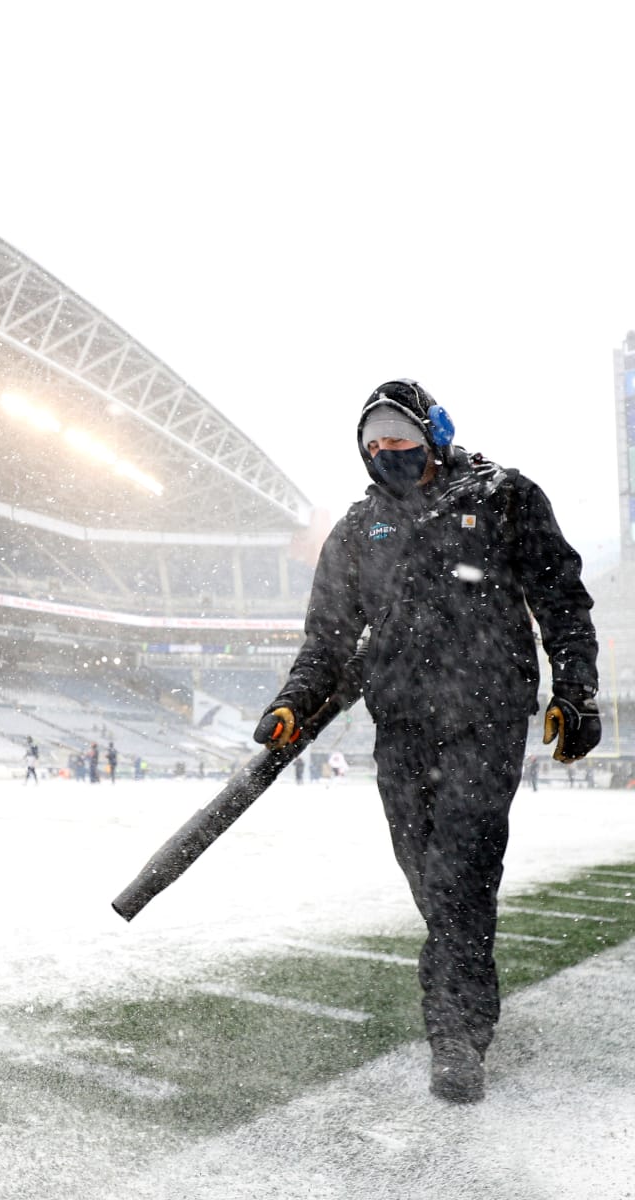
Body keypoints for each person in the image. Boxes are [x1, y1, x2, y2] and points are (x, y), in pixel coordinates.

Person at [252, 379, 600, 1105]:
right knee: (430, 876)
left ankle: (458, 1035)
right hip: (404, 727)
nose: (387, 454)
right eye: (374, 445)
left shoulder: (504, 497)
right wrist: (293, 705)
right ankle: (465, 972)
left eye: (400, 439)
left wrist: (575, 690)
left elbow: (562, 599)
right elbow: (328, 641)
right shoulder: (358, 531)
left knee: (460, 870)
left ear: (434, 435)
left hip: (486, 717)